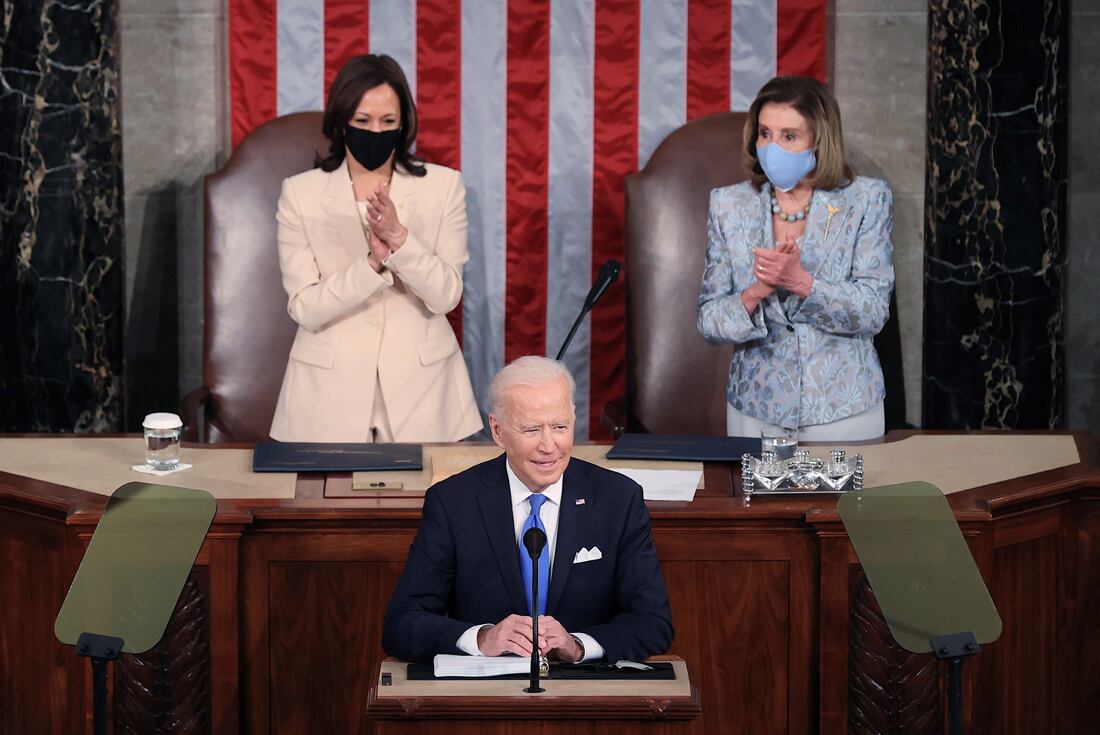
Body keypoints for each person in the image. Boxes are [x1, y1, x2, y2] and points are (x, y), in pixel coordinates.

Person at [382, 356, 673, 664]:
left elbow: (653, 623)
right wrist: (482, 639)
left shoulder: (618, 499)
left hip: (586, 692)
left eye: (560, 427)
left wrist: (578, 645)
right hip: (486, 698)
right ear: (497, 431)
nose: (549, 446)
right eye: (532, 429)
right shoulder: (454, 502)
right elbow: (402, 624)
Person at [269, 55, 482, 443]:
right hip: (326, 399)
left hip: (425, 395)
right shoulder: (300, 194)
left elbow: (446, 295)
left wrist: (400, 240)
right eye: (363, 121)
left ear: (403, 124)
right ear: (341, 122)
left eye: (388, 122)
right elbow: (305, 307)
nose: (375, 132)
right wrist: (371, 264)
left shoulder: (444, 187)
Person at [698, 75, 895, 441]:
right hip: (755, 409)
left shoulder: (866, 200)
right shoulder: (728, 205)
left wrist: (801, 283)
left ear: (819, 139)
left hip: (843, 408)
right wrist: (756, 292)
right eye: (765, 134)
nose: (773, 148)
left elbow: (873, 311)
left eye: (789, 136)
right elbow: (709, 320)